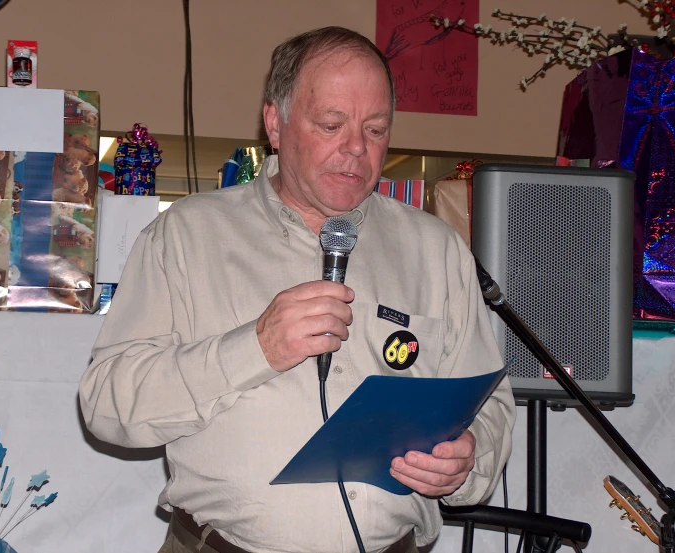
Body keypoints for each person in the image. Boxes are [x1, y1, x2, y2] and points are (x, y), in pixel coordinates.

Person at [79, 26, 515, 553]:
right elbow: (106, 405)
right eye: (332, 124)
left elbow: (487, 402)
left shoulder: (435, 248)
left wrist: (466, 461)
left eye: (376, 129)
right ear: (275, 124)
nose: (356, 147)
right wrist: (254, 348)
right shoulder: (186, 236)